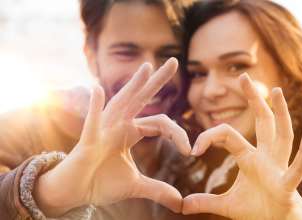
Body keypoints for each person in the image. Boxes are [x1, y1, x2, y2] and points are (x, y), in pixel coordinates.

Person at [154, 0, 302, 219]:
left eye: (236, 66)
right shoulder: (198, 172)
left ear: (287, 71)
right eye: (198, 73)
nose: (210, 91)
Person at [0, 0, 189, 219]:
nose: (151, 72)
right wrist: (47, 194)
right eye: (126, 53)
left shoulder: (193, 152)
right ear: (91, 55)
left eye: (168, 54)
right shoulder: (24, 129)